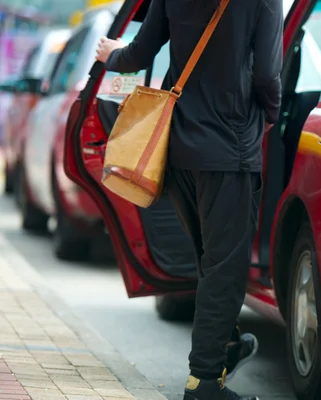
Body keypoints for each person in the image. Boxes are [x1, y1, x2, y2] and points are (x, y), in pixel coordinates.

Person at [95, 0, 283, 398]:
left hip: (176, 150)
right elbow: (267, 73)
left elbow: (140, 53)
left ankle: (225, 346)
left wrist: (113, 55)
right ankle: (205, 382)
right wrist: (270, 114)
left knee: (210, 260)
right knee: (224, 266)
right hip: (229, 150)